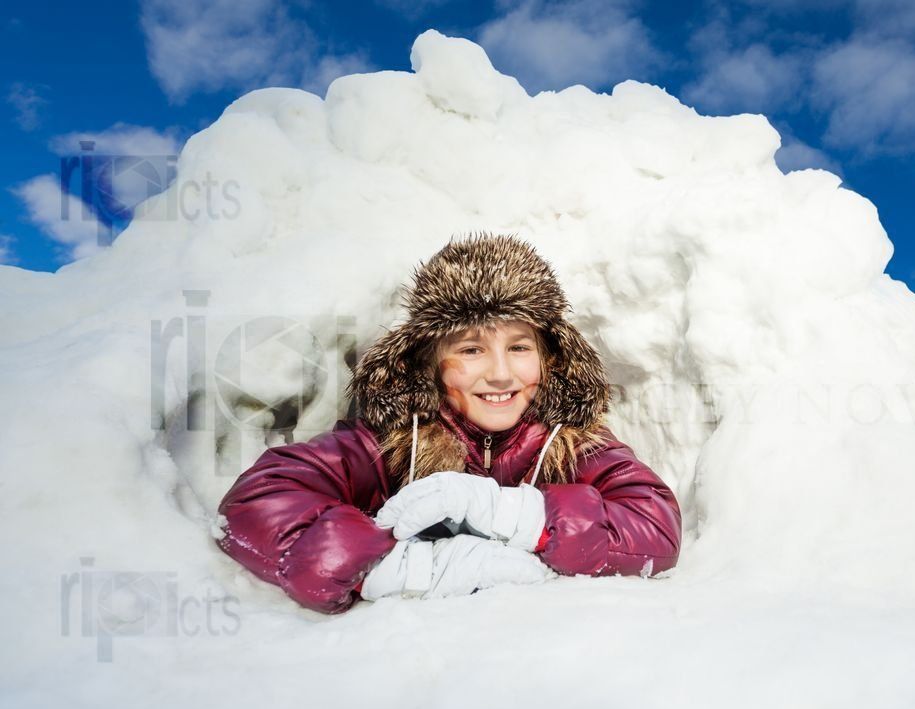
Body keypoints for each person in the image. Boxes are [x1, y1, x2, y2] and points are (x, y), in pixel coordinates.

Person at [215, 232, 683, 614]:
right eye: (471, 349)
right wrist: (395, 566)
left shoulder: (572, 442)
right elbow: (259, 500)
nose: (500, 373)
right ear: (432, 364)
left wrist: (512, 514)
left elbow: (654, 526)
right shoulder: (391, 442)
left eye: (519, 348)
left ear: (550, 359)